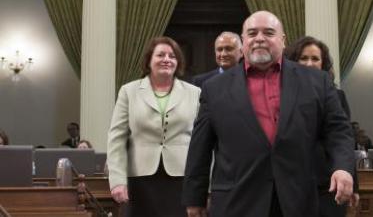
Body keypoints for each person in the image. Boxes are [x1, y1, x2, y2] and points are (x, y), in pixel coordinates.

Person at [182, 11, 354, 217]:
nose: (260, 38)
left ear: (282, 41)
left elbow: (338, 131)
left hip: (299, 199)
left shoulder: (317, 81)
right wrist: (194, 197)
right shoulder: (214, 88)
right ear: (243, 41)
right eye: (252, 33)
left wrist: (343, 168)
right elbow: (200, 146)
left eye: (269, 33)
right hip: (237, 200)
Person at [107, 36, 201, 216]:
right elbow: (116, 139)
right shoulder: (129, 91)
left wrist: (205, 185)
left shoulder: (194, 93)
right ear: (149, 61)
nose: (166, 59)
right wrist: (117, 180)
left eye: (172, 56)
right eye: (160, 55)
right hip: (139, 180)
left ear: (178, 62)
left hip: (182, 178)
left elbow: (202, 141)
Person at [286, 36, 357, 216]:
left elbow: (344, 139)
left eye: (315, 59)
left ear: (323, 64)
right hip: (291, 181)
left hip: (328, 183)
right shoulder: (282, 95)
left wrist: (353, 183)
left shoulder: (337, 96)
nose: (309, 64)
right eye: (304, 58)